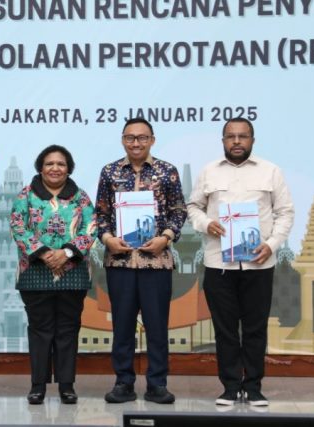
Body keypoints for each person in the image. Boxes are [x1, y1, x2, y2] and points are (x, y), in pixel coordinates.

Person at [187, 117, 294, 407]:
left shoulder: (271, 171)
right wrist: (206, 223)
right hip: (218, 264)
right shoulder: (209, 171)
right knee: (225, 330)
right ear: (223, 141)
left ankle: (254, 387)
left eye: (242, 136)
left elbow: (285, 212)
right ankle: (230, 387)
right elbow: (193, 207)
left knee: (255, 328)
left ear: (252, 140)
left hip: (259, 263)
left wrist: (271, 245)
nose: (236, 141)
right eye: (230, 136)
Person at [95, 117, 187, 404]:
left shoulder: (167, 171)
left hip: (156, 261)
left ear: (152, 140)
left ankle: (157, 384)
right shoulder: (110, 172)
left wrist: (166, 237)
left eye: (142, 137)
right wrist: (107, 238)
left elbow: (179, 211)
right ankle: (123, 383)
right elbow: (101, 213)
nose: (136, 143)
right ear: (123, 140)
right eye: (130, 137)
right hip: (120, 261)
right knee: (122, 326)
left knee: (157, 326)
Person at [10, 145, 97, 405]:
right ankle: (37, 386)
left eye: (61, 164)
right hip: (35, 272)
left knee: (68, 330)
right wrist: (45, 253)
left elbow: (91, 228)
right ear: (40, 168)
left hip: (73, 273)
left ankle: (67, 386)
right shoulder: (26, 195)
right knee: (40, 330)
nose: (55, 168)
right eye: (49, 164)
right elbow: (18, 226)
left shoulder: (81, 197)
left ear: (69, 169)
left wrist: (67, 253)